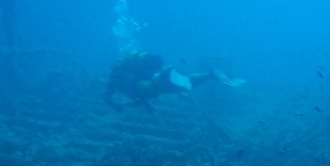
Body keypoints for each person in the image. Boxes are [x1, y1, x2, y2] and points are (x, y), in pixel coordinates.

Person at [103, 50, 244, 111]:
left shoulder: (116, 78)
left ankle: (166, 73)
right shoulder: (126, 72)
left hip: (151, 85)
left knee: (177, 86)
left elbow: (108, 97)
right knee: (185, 82)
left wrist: (119, 106)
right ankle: (209, 74)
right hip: (151, 78)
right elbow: (140, 100)